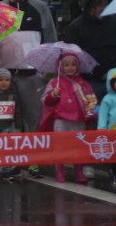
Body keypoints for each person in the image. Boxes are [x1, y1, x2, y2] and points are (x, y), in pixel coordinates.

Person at [0, 0, 58, 177]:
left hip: (32, 73)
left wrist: (48, 67)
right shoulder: (1, 9)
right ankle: (12, 160)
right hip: (5, 73)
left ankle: (33, 160)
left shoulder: (40, 7)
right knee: (8, 119)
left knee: (33, 118)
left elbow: (50, 36)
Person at [65, 0, 116, 102]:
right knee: (95, 116)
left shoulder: (115, 21)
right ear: (91, 5)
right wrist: (98, 75)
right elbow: (73, 58)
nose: (103, 8)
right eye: (100, 5)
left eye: (106, 4)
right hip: (92, 82)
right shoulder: (76, 27)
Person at [40, 53, 97, 184]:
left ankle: (79, 171)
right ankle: (59, 171)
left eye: (73, 65)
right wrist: (53, 95)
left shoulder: (83, 83)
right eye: (66, 65)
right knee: (60, 145)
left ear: (78, 67)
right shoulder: (55, 83)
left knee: (78, 146)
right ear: (60, 67)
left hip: (78, 120)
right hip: (60, 119)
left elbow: (91, 100)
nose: (70, 68)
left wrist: (91, 114)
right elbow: (46, 102)